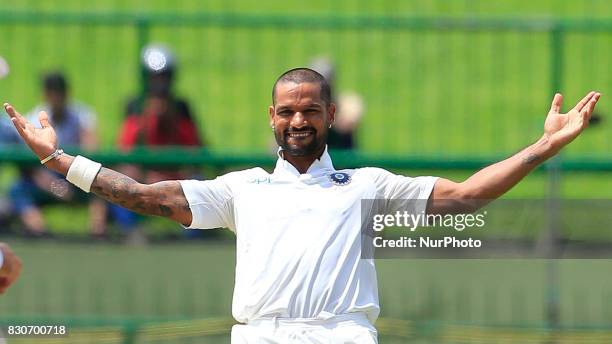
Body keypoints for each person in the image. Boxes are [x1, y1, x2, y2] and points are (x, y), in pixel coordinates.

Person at [4, 68, 600, 343]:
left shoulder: (367, 186)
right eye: (287, 110)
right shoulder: (243, 189)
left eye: (310, 110)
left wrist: (545, 146)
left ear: (330, 117)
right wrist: (58, 162)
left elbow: (469, 194)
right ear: (272, 118)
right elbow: (139, 196)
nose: (298, 120)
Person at [107, 44, 202, 240]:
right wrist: (148, 120)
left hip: (176, 175)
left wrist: (171, 120)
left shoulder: (181, 107)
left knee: (199, 182)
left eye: (164, 78)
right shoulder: (135, 106)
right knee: (118, 181)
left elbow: (195, 151)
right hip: (143, 176)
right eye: (154, 79)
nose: (159, 85)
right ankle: (130, 232)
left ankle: (193, 235)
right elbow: (124, 151)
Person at [7, 72, 105, 237]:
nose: (56, 96)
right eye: (52, 91)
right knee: (18, 190)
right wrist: (53, 186)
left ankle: (98, 234)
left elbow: (92, 151)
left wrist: (75, 177)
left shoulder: (82, 116)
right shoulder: (34, 118)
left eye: (59, 91)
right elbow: (32, 168)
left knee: (100, 186)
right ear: (45, 94)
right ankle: (39, 231)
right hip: (46, 176)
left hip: (76, 171)